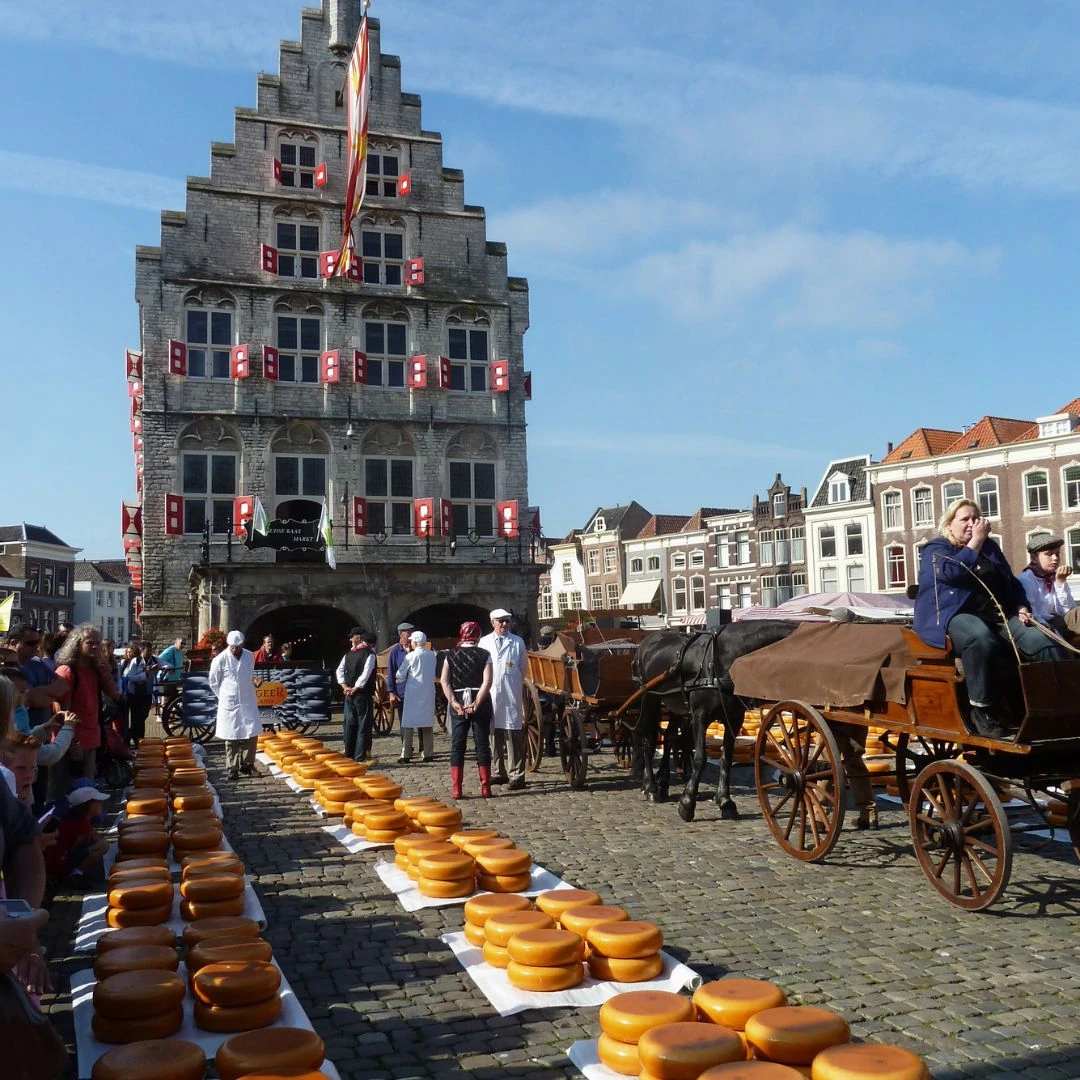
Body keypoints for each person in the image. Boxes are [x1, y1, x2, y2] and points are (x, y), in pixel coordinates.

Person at [914, 498, 1063, 739]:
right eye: (965, 519)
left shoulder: (990, 549)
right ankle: (982, 710)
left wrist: (1021, 604)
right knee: (980, 638)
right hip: (955, 615)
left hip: (997, 615)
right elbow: (951, 574)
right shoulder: (937, 549)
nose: (972, 523)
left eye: (976, 518)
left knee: (1041, 641)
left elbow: (1009, 582)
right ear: (950, 524)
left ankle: (1052, 708)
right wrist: (976, 541)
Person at [54, 625, 118, 784]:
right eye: (90, 643)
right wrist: (72, 742)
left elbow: (114, 694)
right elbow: (61, 709)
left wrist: (105, 673)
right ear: (78, 644)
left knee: (88, 789)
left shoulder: (94, 670)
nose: (95, 647)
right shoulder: (67, 671)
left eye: (98, 643)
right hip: (71, 741)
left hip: (92, 738)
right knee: (67, 791)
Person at [440, 621, 494, 799]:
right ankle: (485, 787)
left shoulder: (451, 655)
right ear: (477, 636)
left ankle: (457, 790)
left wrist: (453, 701)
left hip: (458, 701)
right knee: (482, 744)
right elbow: (487, 681)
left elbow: (444, 681)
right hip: (480, 700)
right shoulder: (485, 654)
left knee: (458, 745)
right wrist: (477, 703)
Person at [478, 608, 528, 790]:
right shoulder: (484, 643)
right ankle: (498, 771)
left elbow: (523, 668)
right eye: (500, 621)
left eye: (507, 621)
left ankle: (517, 774)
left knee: (513, 734)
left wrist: (514, 685)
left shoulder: (517, 642)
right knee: (494, 733)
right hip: (491, 693)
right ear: (493, 623)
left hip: (510, 692)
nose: (504, 624)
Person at [208, 631, 262, 780]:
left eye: (237, 647)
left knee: (252, 733)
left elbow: (250, 674)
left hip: (247, 700)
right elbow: (213, 681)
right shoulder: (220, 659)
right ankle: (232, 768)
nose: (234, 649)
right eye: (232, 647)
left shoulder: (249, 656)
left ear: (242, 644)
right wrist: (223, 696)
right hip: (229, 701)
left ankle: (248, 764)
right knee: (231, 736)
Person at [42, 780, 110, 885]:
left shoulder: (73, 818)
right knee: (103, 845)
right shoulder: (81, 824)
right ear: (88, 806)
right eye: (98, 802)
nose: (101, 804)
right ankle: (75, 873)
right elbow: (75, 847)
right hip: (59, 865)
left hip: (53, 863)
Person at [1018, 532, 1076, 634]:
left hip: (1059, 621)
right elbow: (1033, 616)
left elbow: (1066, 611)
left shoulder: (1055, 576)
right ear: (1034, 558)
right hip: (1043, 628)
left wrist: (1060, 582)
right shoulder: (1026, 579)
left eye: (1057, 554)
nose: (1055, 558)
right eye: (1049, 554)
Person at [395, 631, 436, 764]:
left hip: (413, 692)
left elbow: (400, 674)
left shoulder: (411, 656)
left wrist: (402, 681)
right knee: (427, 722)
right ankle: (428, 753)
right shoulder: (432, 655)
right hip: (428, 692)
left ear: (415, 642)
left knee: (408, 723)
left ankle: (406, 754)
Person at [336, 629, 376, 763]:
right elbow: (366, 674)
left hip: (349, 694)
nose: (350, 639)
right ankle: (360, 756)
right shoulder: (369, 654)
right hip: (361, 694)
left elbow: (339, 671)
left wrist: (345, 687)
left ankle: (349, 753)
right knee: (362, 725)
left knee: (349, 724)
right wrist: (355, 688)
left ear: (358, 638)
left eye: (352, 637)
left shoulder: (348, 654)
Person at [386, 622, 414, 741]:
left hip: (416, 689)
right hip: (402, 690)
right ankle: (406, 746)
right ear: (401, 634)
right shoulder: (395, 651)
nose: (411, 634)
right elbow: (391, 672)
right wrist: (391, 692)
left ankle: (423, 748)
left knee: (420, 720)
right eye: (408, 632)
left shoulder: (416, 649)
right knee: (404, 720)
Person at [120, 645, 152, 748]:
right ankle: (129, 739)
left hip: (140, 693)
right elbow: (125, 677)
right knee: (130, 718)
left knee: (140, 717)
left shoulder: (139, 662)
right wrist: (142, 676)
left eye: (132, 652)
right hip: (128, 693)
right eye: (128, 652)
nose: (130, 654)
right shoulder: (123, 663)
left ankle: (136, 738)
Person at [155, 636, 184, 712]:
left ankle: (169, 716)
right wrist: (168, 666)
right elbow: (159, 659)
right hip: (167, 678)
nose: (183, 645)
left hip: (175, 679)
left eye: (184, 644)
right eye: (181, 643)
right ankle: (163, 717)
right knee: (166, 699)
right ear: (176, 643)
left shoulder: (180, 652)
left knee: (173, 699)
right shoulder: (170, 650)